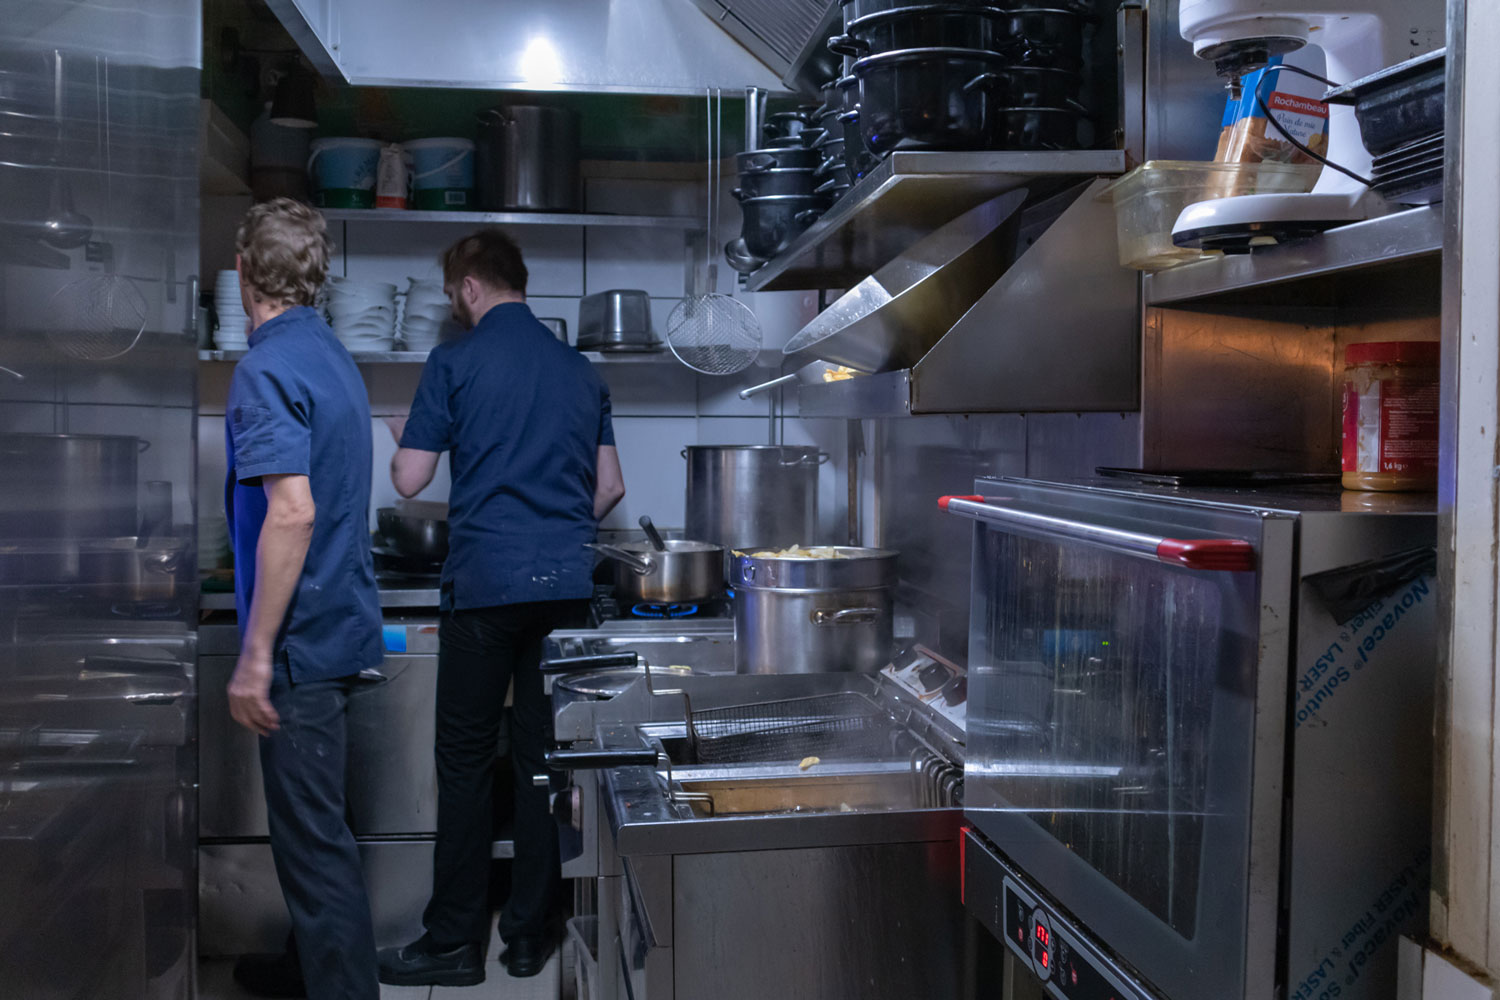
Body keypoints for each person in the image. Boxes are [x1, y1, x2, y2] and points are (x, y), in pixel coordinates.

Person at [377, 228, 625, 987]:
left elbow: (412, 481)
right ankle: (528, 935)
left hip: (484, 587)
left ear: (470, 287)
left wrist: (398, 438)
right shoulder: (580, 371)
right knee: (547, 766)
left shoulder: (454, 361)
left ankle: (454, 941)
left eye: (455, 293)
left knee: (464, 763)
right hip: (564, 590)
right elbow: (609, 488)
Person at [224, 197, 383, 1000]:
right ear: (317, 278)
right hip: (342, 625)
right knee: (316, 833)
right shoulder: (330, 355)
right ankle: (303, 967)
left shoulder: (264, 367)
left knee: (316, 850)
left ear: (244, 271)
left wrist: (254, 655)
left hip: (302, 642)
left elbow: (293, 509)